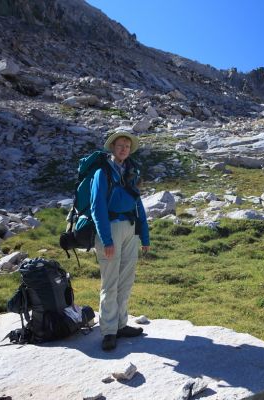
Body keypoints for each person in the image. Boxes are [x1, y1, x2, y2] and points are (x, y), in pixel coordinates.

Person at [91, 131, 150, 351]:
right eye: (120, 145)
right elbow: (98, 208)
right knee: (110, 282)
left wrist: (144, 235)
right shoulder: (102, 172)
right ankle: (108, 331)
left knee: (126, 279)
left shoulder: (131, 170)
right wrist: (106, 240)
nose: (124, 148)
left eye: (127, 145)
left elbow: (138, 204)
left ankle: (121, 324)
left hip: (130, 228)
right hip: (111, 229)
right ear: (112, 148)